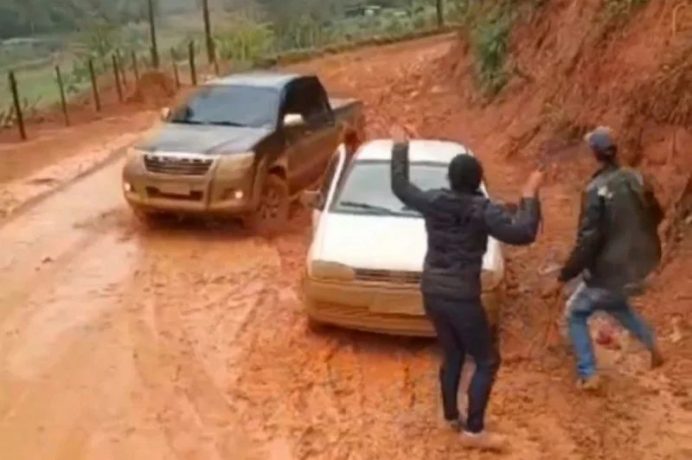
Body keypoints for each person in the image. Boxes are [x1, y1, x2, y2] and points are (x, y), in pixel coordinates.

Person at [389, 127, 543, 451]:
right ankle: (474, 431)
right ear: (478, 180)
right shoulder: (483, 210)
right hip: (462, 296)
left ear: (449, 178)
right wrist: (530, 194)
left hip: (432, 291)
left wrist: (401, 147)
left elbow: (400, 187)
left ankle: (449, 416)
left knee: (453, 353)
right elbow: (524, 233)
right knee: (486, 360)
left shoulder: (435, 201)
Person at [556, 126, 665, 391]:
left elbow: (588, 240)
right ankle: (652, 342)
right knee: (616, 304)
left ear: (594, 155)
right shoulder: (636, 178)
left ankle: (588, 372)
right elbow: (657, 215)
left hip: (608, 269)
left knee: (575, 312)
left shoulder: (595, 189)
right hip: (638, 264)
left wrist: (566, 273)